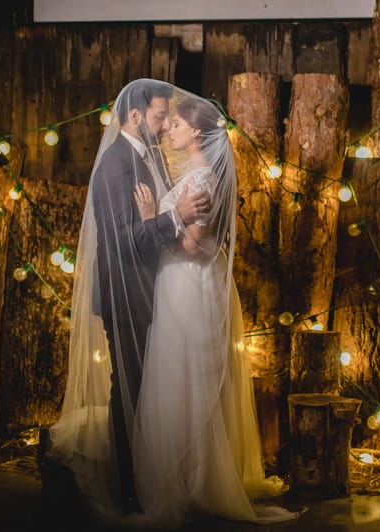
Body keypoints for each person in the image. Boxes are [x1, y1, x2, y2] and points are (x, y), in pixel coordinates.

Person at [131, 93, 297, 528]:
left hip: (189, 284)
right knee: (184, 374)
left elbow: (191, 245)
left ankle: (193, 479)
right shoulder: (199, 175)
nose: (170, 129)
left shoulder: (202, 180)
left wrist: (152, 219)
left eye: (178, 125)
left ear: (198, 132)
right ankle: (189, 473)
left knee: (185, 375)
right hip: (186, 283)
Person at [46, 79, 210, 522]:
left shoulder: (145, 156)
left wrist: (164, 219)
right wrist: (175, 217)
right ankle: (130, 488)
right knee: (130, 392)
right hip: (124, 291)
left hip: (149, 289)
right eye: (159, 117)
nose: (162, 126)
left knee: (145, 391)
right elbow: (121, 241)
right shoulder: (116, 166)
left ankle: (148, 477)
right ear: (134, 115)